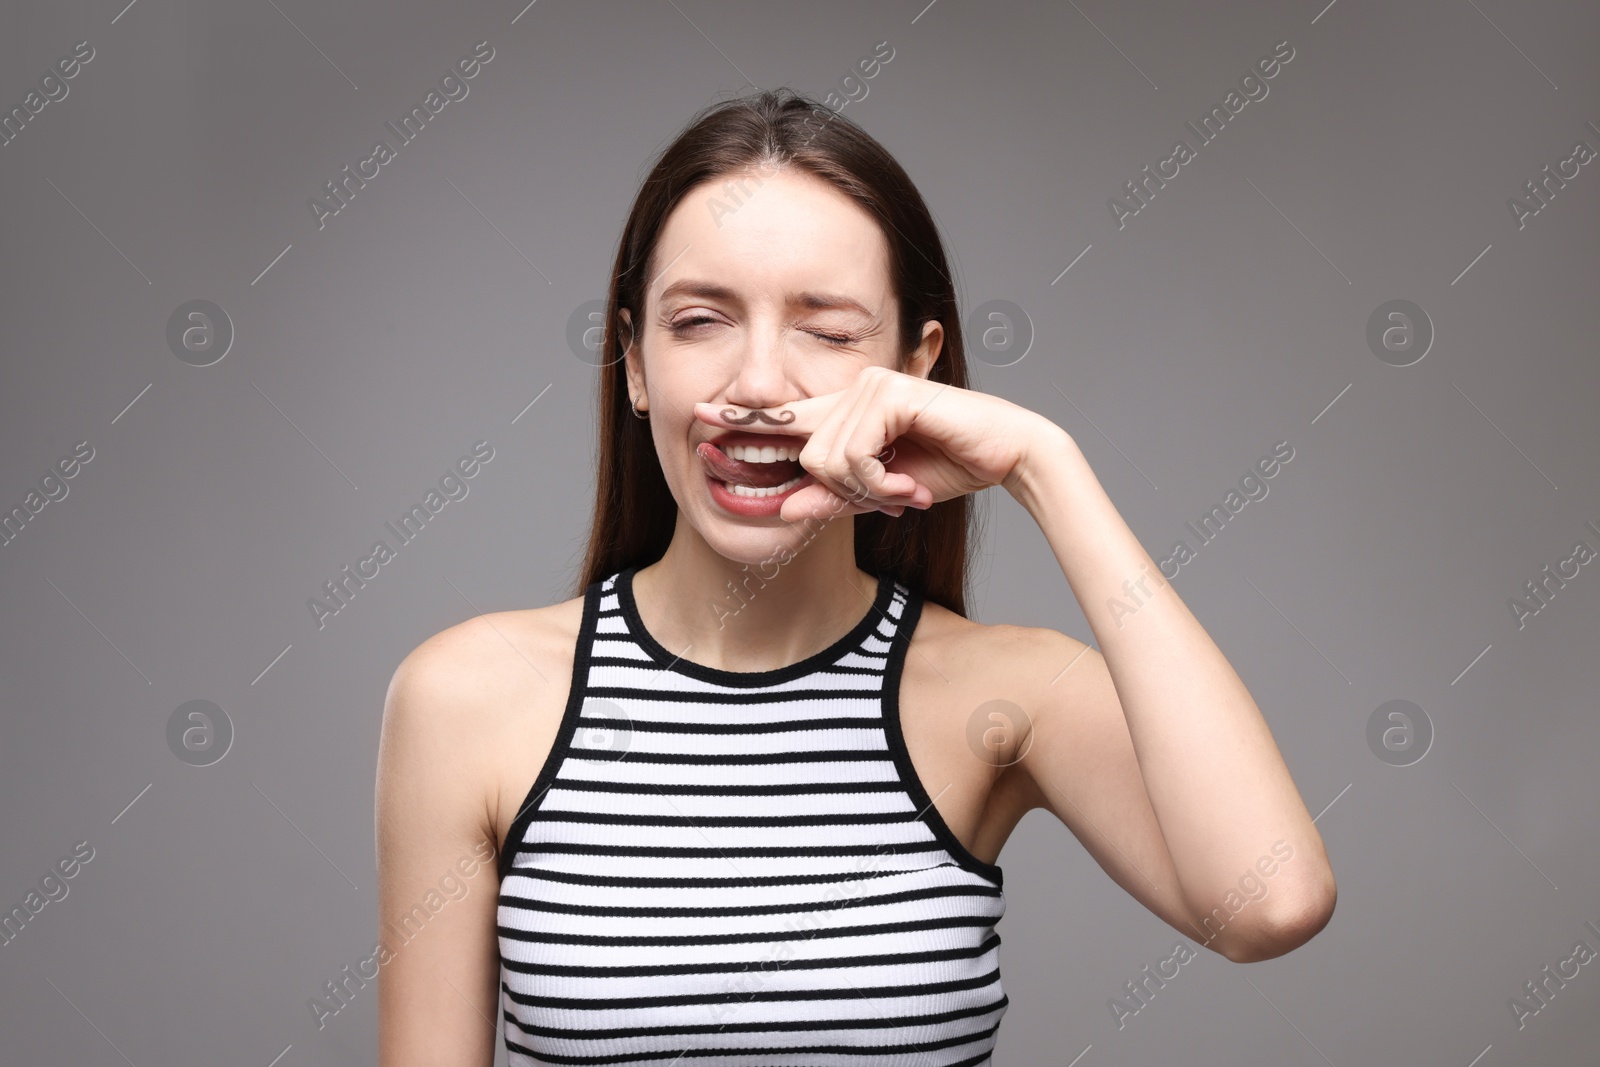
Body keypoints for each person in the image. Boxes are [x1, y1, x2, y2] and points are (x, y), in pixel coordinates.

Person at [375, 87, 1336, 1066]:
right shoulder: (466, 699)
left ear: (916, 367)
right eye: (699, 320)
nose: (756, 384)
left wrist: (1042, 464)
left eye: (826, 331)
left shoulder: (1005, 696)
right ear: (632, 359)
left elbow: (1271, 899)